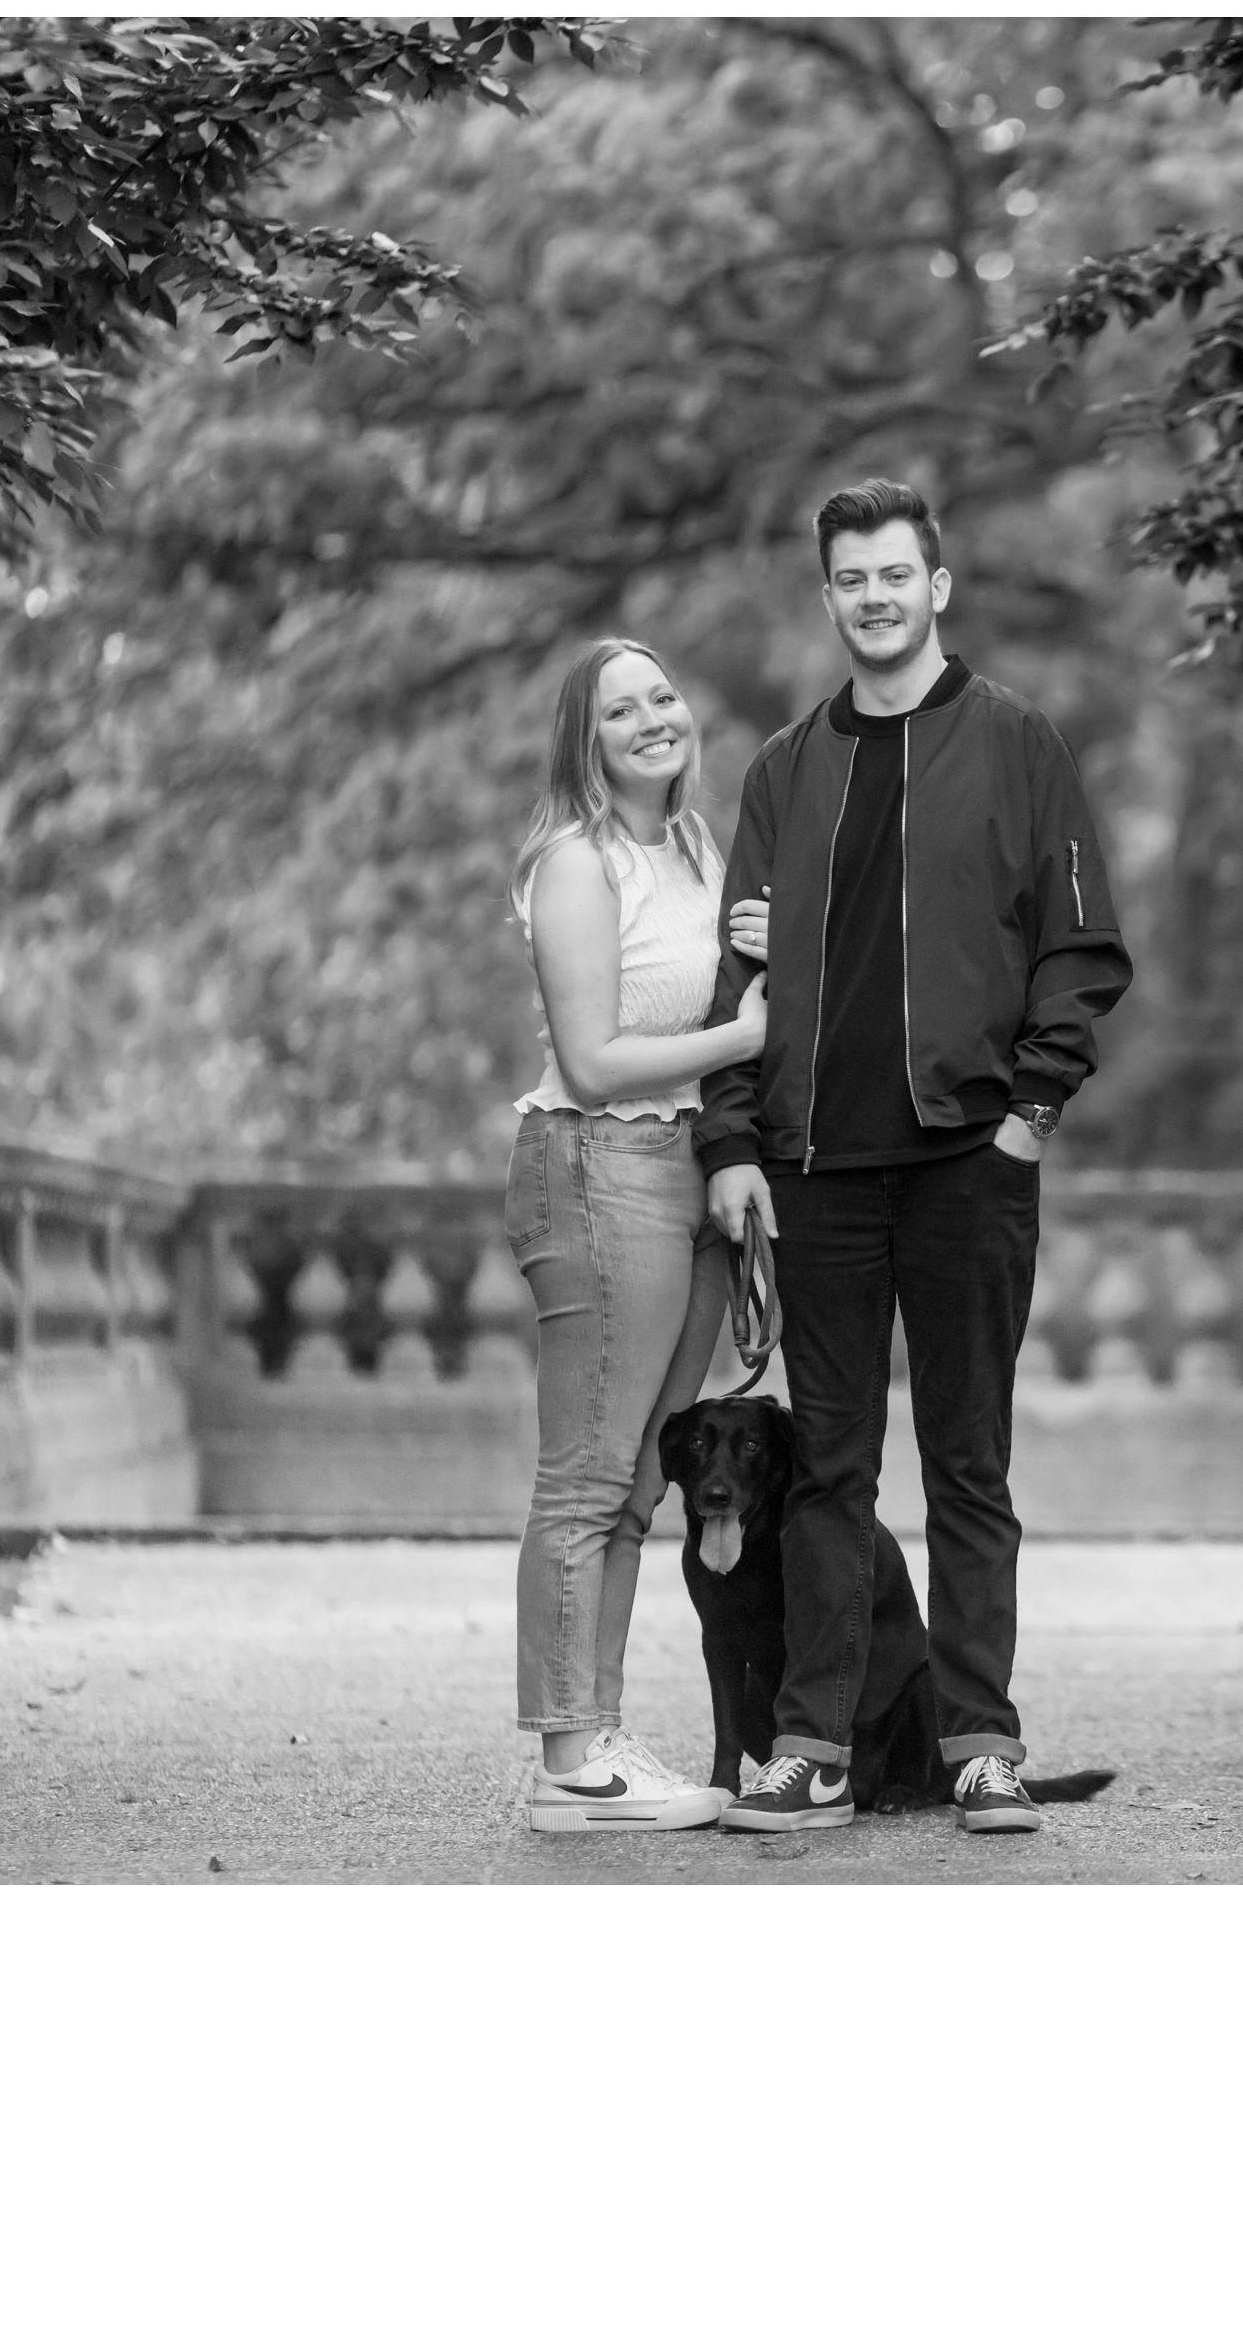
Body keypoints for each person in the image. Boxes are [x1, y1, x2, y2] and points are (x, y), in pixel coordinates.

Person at [695, 479, 1132, 1835]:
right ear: (829, 596)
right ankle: (811, 1745)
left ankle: (981, 1742)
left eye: (896, 573)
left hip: (968, 1165)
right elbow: (737, 982)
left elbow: (1079, 947)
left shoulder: (1015, 743)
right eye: (852, 578)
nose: (874, 596)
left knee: (967, 1466)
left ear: (936, 587)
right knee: (826, 1469)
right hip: (817, 1170)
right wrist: (732, 1140)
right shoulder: (784, 772)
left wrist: (1027, 1117)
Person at [507, 635, 773, 1834]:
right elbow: (593, 1061)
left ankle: (596, 1738)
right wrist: (742, 1039)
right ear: (586, 739)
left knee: (642, 1482)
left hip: (687, 1165)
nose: (652, 719)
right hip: (595, 1164)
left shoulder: (700, 848)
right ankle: (568, 1758)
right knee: (588, 1475)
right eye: (620, 710)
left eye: (662, 696)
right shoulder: (576, 860)